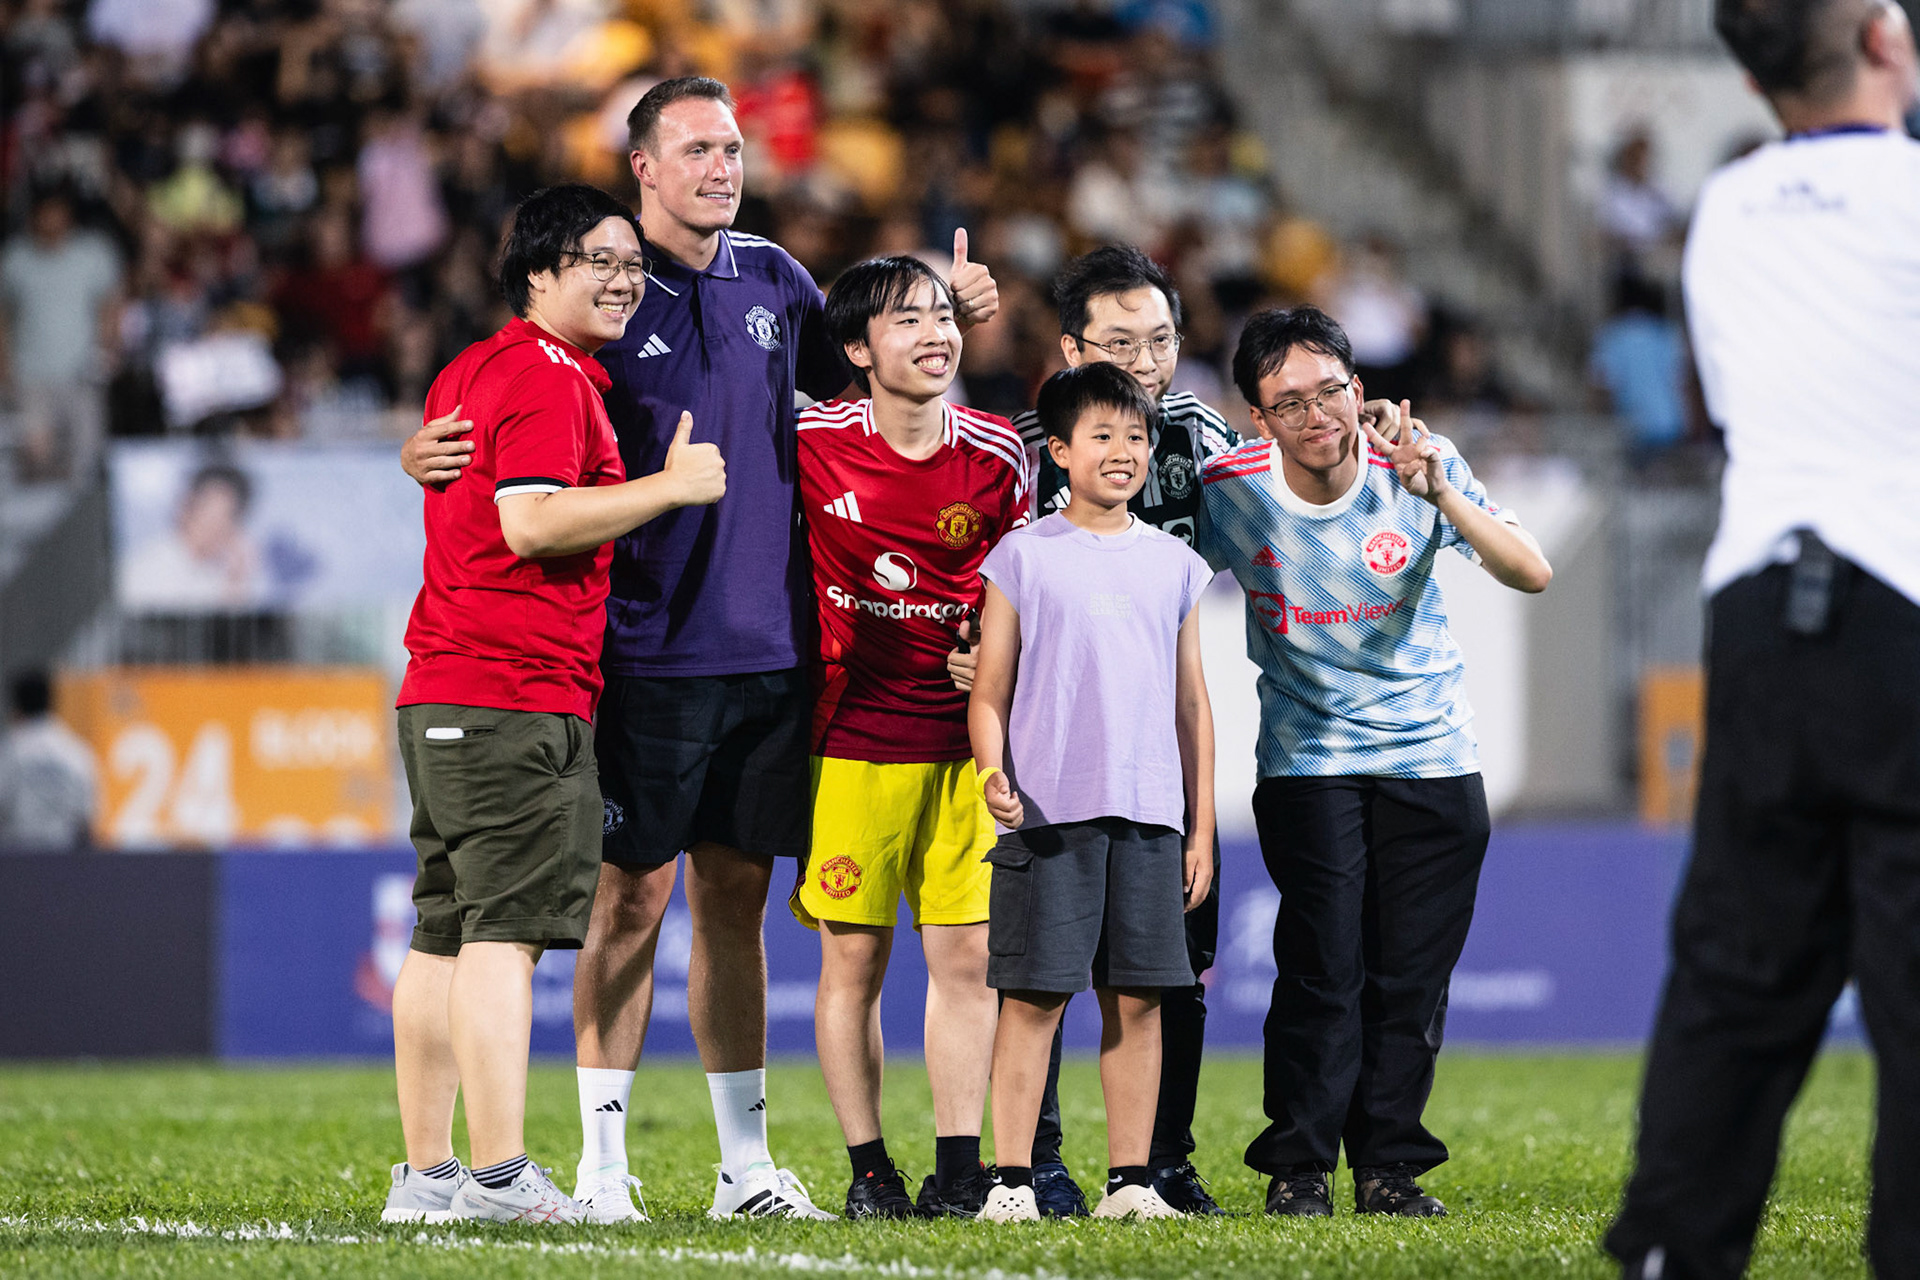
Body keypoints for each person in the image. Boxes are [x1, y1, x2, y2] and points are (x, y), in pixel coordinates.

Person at [400, 76, 999, 1222]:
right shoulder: (602, 300)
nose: (723, 166)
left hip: (772, 647)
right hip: (634, 648)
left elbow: (877, 384)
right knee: (627, 901)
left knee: (735, 903)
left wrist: (947, 309)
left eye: (732, 148)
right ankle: (604, 1166)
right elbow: (491, 425)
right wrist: (417, 453)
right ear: (642, 167)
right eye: (697, 149)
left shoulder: (776, 278)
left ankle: (744, 1169)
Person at [1605, 3, 1920, 1277]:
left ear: (1748, 71)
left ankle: (1675, 1248)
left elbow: (1736, 404)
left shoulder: (1727, 211)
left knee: (1736, 962)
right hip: (1900, 600)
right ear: (1883, 40)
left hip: (1757, 608)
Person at [382, 182, 725, 1226]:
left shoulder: (477, 364)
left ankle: (430, 1176)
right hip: (511, 689)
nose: (625, 278)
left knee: (444, 928)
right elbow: (531, 523)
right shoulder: (546, 375)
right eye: (599, 261)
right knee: (503, 933)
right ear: (539, 273)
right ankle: (495, 1175)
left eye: (633, 263)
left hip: (448, 688)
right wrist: (669, 487)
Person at [1201, 306, 1550, 1219]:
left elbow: (1531, 570)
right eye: (1290, 404)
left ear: (1361, 393)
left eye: (1331, 393)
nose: (1317, 416)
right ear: (1259, 420)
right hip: (1308, 762)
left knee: (1411, 980)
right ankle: (1300, 1166)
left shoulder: (1419, 467)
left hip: (1434, 758)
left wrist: (1440, 491)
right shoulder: (1232, 489)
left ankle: (1389, 1167)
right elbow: (1146, 576)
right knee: (1323, 968)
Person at [793, 255, 1028, 1220]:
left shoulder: (1000, 452)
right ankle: (869, 1172)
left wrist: (999, 664)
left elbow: (1026, 586)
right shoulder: (808, 437)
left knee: (966, 961)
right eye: (905, 321)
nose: (934, 335)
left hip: (965, 746)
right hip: (849, 740)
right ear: (856, 349)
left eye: (942, 316)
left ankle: (961, 1167)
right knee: (853, 963)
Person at [1005, 243, 1237, 1216]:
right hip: (1048, 752)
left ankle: (1160, 1159)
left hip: (1153, 755)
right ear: (1069, 347)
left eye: (1162, 340)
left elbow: (1280, 530)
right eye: (1119, 341)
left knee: (1169, 971)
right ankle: (1037, 1160)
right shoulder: (1028, 447)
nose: (1146, 361)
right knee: (1043, 971)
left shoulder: (1200, 436)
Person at [0, 671, 97, 851]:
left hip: (16, 862)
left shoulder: (10, 751)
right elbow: (87, 818)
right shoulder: (76, 750)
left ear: (16, 708)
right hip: (64, 861)